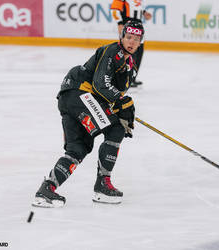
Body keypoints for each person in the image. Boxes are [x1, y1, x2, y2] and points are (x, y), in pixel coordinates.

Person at [32, 20, 144, 208]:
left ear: (141, 42)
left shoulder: (129, 67)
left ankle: (46, 190)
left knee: (78, 148)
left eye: (136, 38)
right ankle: (102, 185)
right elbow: (101, 85)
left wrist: (121, 107)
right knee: (115, 128)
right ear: (122, 37)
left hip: (73, 99)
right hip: (79, 94)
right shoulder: (112, 52)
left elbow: (110, 98)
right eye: (128, 37)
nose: (132, 41)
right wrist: (121, 103)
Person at [111, 0, 152, 87]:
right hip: (128, 25)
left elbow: (135, 6)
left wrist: (144, 13)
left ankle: (132, 78)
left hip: (138, 26)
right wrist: (119, 23)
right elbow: (115, 9)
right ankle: (122, 78)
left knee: (139, 52)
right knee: (127, 52)